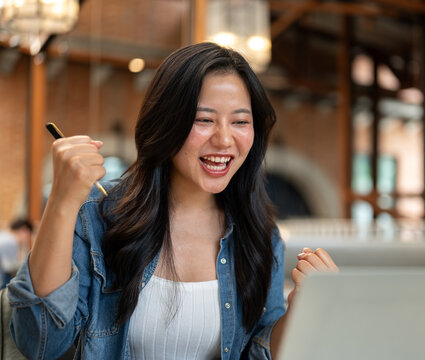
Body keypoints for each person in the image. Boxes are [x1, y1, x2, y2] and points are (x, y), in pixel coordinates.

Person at [7, 42, 338, 359]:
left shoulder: (261, 236)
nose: (224, 139)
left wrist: (303, 308)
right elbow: (40, 343)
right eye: (203, 119)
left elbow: (257, 354)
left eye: (240, 122)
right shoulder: (98, 215)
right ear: (167, 122)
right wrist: (63, 202)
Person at [0, 218, 33, 288]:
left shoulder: (4, 235)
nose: (27, 239)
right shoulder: (10, 241)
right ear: (24, 230)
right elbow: (10, 268)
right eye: (28, 235)